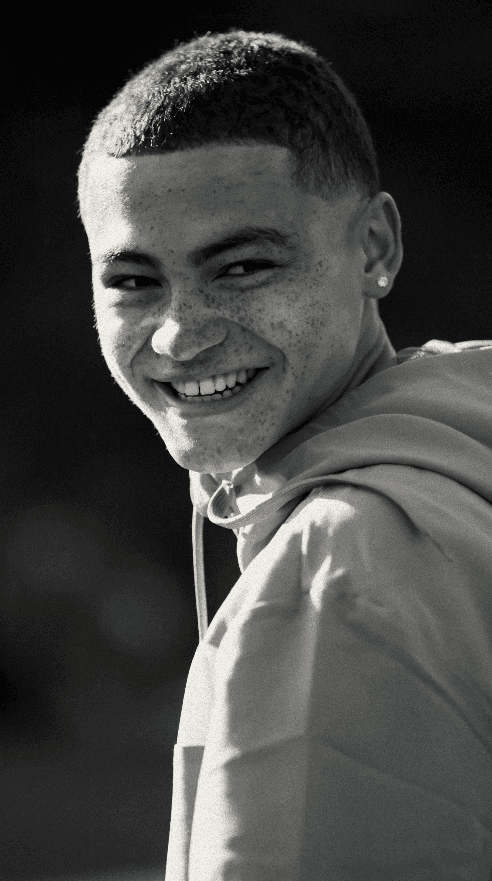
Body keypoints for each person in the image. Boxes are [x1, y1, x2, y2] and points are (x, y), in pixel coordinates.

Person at [77, 29, 492, 880]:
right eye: (134, 281)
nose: (179, 335)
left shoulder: (335, 564)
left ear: (374, 248)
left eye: (241, 267)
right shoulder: (464, 445)